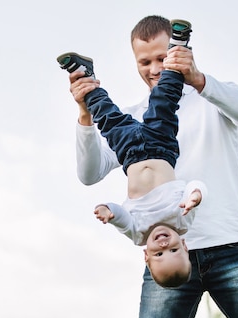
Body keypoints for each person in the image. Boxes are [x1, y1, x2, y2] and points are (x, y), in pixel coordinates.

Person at [66, 15, 238, 318]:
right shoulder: (133, 119)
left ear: (179, 53)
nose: (154, 68)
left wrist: (199, 80)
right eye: (145, 62)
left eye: (162, 58)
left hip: (231, 248)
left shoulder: (212, 97)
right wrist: (85, 114)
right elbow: (89, 173)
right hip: (167, 256)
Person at [57, 20, 207, 288]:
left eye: (159, 253)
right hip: (161, 146)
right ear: (184, 244)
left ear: (146, 256)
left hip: (129, 152)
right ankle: (178, 45)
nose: (164, 245)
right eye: (173, 250)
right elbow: (196, 187)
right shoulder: (182, 219)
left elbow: (120, 217)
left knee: (107, 117)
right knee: (164, 101)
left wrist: (109, 212)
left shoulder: (138, 233)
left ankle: (83, 73)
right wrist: (196, 194)